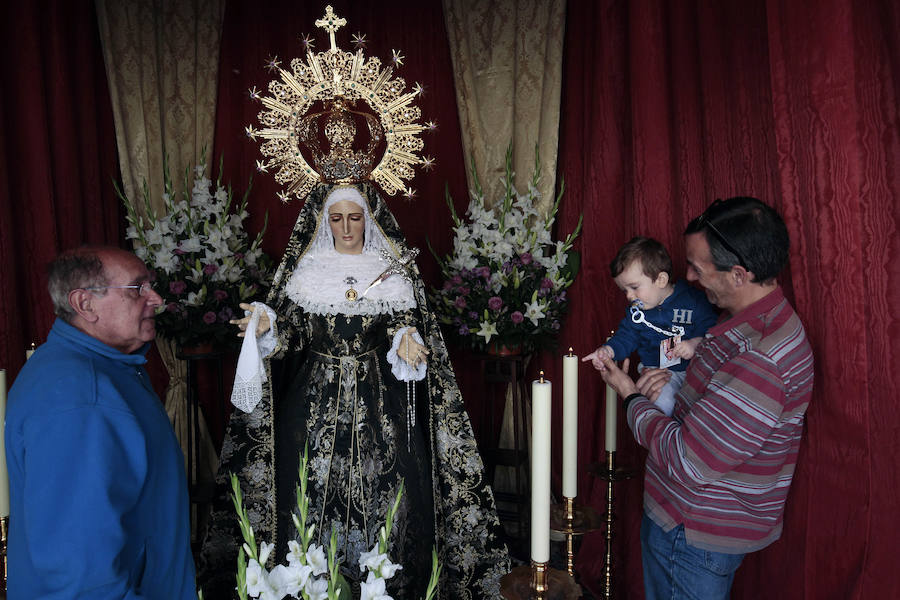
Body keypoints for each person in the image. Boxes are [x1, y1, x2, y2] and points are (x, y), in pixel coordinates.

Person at [198, 183, 510, 599]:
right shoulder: (307, 272)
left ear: (369, 219)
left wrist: (405, 340)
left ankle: (382, 585)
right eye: (337, 218)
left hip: (378, 401)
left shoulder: (389, 271)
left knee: (386, 488)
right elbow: (295, 335)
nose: (346, 227)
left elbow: (403, 323)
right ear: (324, 222)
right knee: (307, 486)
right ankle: (310, 584)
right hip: (314, 402)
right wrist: (269, 327)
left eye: (355, 217)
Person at [597, 197, 814, 600]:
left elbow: (688, 461)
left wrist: (631, 397)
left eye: (698, 267)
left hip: (692, 530)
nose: (690, 278)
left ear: (737, 274)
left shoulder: (761, 357)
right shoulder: (743, 321)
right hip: (693, 523)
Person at [4, 246, 197, 599]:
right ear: (85, 304)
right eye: (138, 288)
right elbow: (80, 574)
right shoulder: (80, 397)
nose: (155, 299)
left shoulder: (105, 369)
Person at [582, 236, 717, 415]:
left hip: (697, 371)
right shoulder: (637, 313)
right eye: (625, 290)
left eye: (634, 287)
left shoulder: (694, 301)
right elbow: (626, 337)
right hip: (658, 373)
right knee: (662, 404)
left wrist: (695, 343)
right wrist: (608, 351)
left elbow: (713, 329)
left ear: (660, 280)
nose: (629, 296)